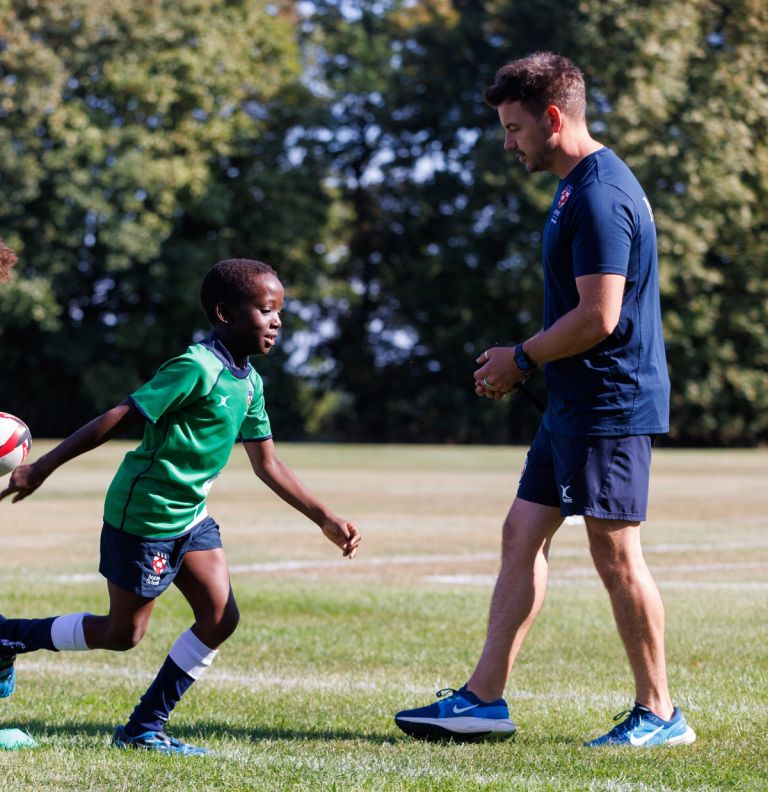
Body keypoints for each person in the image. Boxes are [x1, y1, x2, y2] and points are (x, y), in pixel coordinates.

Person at [394, 52, 695, 748]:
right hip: (573, 401)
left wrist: (521, 357)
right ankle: (483, 699)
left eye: (514, 128)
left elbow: (600, 316)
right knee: (521, 532)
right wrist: (526, 363)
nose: (509, 144)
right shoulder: (574, 187)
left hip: (609, 402)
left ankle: (660, 713)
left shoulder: (600, 195)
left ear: (553, 118)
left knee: (615, 553)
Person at [0, 258, 361, 754]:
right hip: (145, 516)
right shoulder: (195, 367)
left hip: (191, 519)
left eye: (279, 310)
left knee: (220, 617)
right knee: (122, 633)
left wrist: (325, 517)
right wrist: (42, 466)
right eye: (265, 309)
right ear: (224, 314)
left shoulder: (250, 383)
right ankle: (9, 636)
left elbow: (268, 463)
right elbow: (120, 415)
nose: (277, 321)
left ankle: (143, 728)